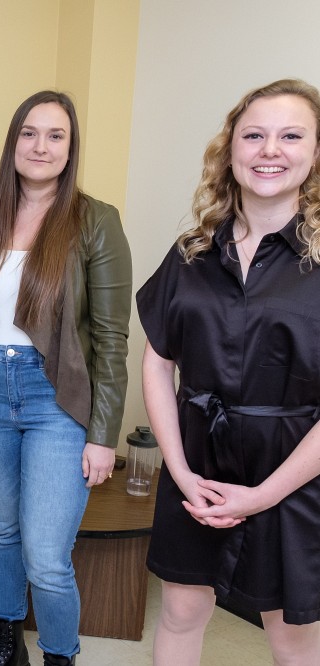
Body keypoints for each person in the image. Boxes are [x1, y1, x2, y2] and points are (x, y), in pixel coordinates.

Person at [0, 91, 132, 666]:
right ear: (12, 142)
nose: (40, 146)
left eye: (55, 135)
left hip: (58, 400)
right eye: (29, 132)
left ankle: (57, 657)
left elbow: (112, 339)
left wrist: (103, 434)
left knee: (46, 556)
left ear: (71, 150)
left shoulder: (96, 222)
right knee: (1, 530)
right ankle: (5, 644)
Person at [137, 79, 320, 666]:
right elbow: (158, 362)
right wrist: (182, 471)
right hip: (198, 463)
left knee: (292, 637)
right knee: (182, 611)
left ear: (315, 153)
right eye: (255, 135)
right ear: (231, 151)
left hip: (293, 473)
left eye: (291, 135)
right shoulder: (192, 253)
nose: (271, 149)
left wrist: (264, 494)